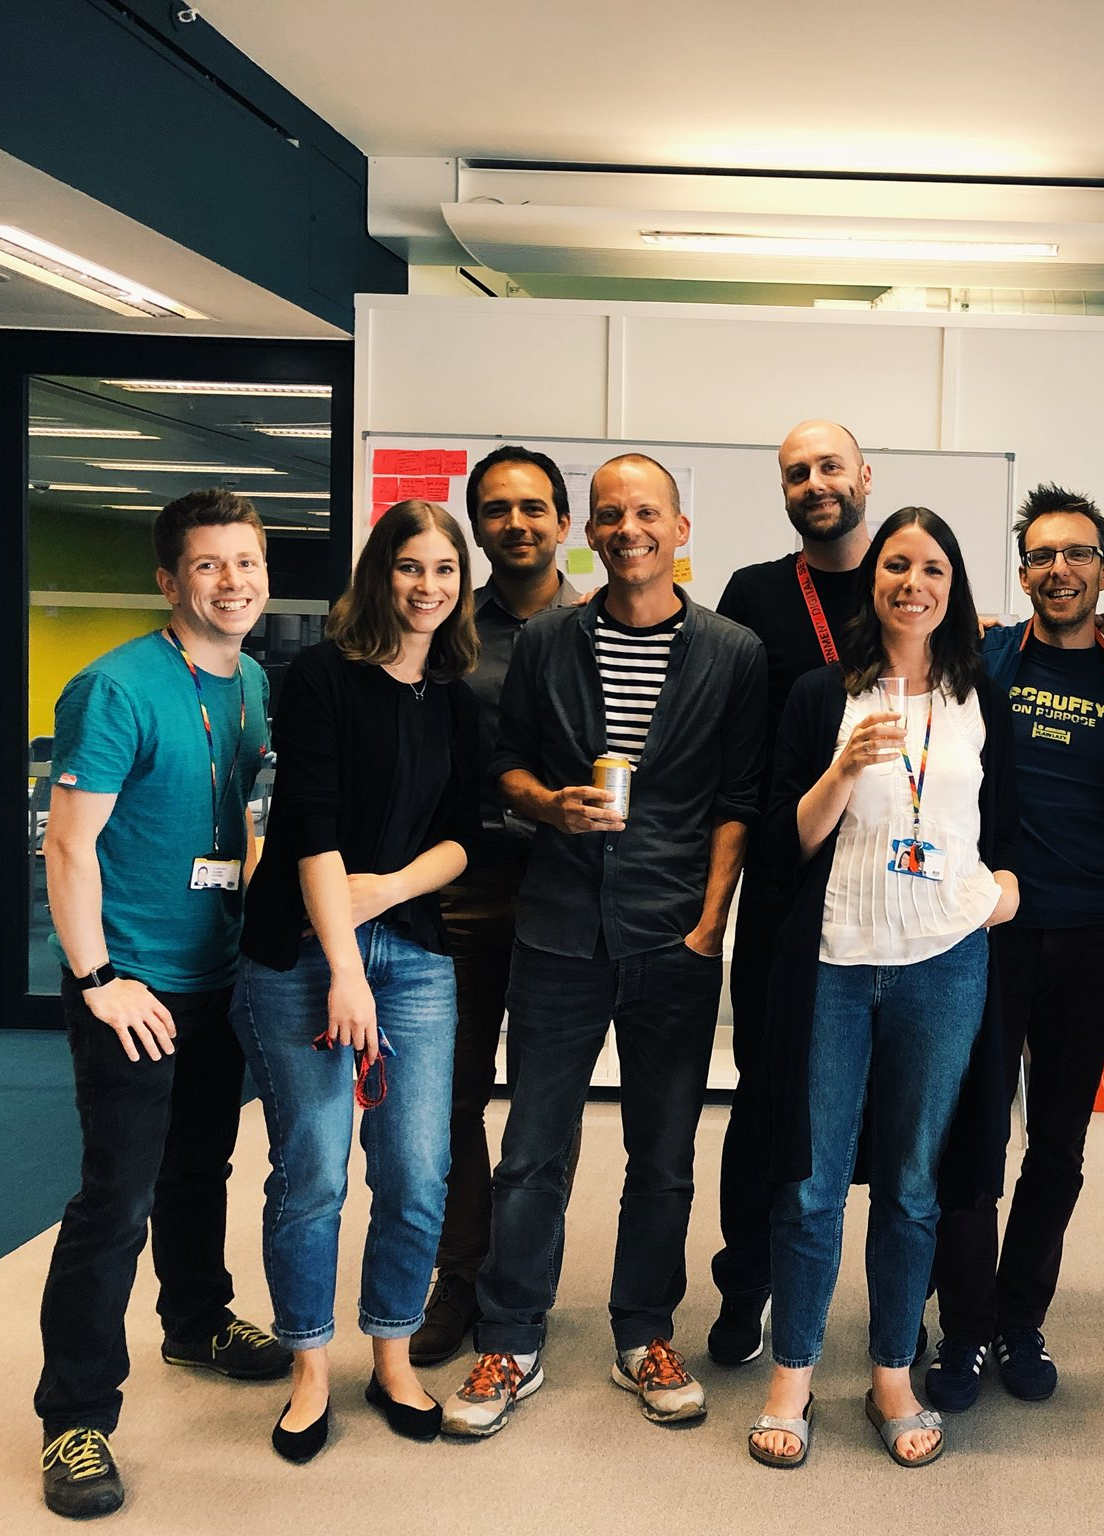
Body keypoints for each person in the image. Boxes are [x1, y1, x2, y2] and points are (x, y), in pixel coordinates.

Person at [443, 453, 766, 1437]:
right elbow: (499, 762)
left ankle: (643, 1331)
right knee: (533, 1147)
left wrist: (712, 920)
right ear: (590, 532)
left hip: (673, 931)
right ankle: (511, 1338)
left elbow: (736, 801)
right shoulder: (547, 641)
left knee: (662, 1152)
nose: (627, 529)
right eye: (609, 515)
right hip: (556, 925)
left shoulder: (732, 651)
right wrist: (546, 804)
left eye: (646, 513)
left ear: (679, 531)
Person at [746, 506, 1020, 1470]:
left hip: (943, 965)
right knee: (812, 1182)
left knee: (912, 1187)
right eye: (897, 565)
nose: (914, 582)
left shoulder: (982, 693)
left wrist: (1005, 890)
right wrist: (838, 773)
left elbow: (1012, 824)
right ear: (874, 582)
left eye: (933, 566)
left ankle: (893, 1372)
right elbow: (782, 843)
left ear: (956, 585)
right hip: (833, 961)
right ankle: (793, 1373)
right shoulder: (825, 693)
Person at [35, 489, 286, 1519]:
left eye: (246, 562)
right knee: (115, 1200)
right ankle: (75, 1421)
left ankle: (196, 1319)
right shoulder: (115, 689)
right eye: (209, 565)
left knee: (199, 1169)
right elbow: (67, 844)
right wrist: (99, 980)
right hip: (130, 984)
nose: (233, 583)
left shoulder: (255, 682)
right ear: (168, 579)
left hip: (216, 975)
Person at [232, 498, 479, 1463]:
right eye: (410, 567)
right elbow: (311, 827)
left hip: (415, 958)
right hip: (303, 956)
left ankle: (391, 1354)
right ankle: (306, 1369)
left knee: (419, 1174)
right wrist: (345, 965)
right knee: (314, 1174)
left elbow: (465, 837)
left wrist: (388, 891)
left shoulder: (455, 693)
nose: (427, 587)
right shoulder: (323, 677)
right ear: (381, 574)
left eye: (444, 571)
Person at [926, 483, 1104, 1410]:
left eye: (1077, 555)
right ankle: (963, 1329)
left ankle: (1021, 1319)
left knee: (1058, 1146)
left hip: (1095, 942)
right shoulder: (982, 660)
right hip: (991, 934)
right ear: (1021, 571)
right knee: (972, 1142)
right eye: (1040, 556)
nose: (1057, 570)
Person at [413, 446, 587, 1367]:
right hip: (464, 892)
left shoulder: (601, 626)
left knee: (545, 1116)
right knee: (450, 1102)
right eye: (495, 510)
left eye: (532, 508)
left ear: (563, 522)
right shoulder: (448, 631)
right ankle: (459, 1276)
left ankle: (521, 1290)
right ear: (475, 525)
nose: (514, 523)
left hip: (572, 893)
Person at [708, 419, 876, 1365]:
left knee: (890, 1103)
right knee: (766, 1096)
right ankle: (747, 1285)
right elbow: (736, 746)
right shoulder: (755, 594)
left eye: (829, 466)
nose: (815, 483)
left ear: (864, 474)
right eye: (796, 473)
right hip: (785, 881)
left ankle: (904, 1296)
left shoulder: (907, 570)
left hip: (896, 886)